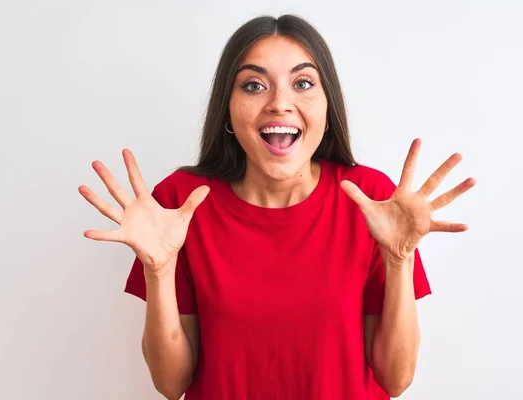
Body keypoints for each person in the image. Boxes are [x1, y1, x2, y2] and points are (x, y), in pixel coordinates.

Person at [79, 14, 475, 400]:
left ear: (327, 105)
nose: (279, 103)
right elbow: (170, 384)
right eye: (254, 86)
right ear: (228, 109)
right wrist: (159, 270)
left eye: (302, 83)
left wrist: (399, 258)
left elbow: (396, 380)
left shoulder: (369, 197)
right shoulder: (181, 203)